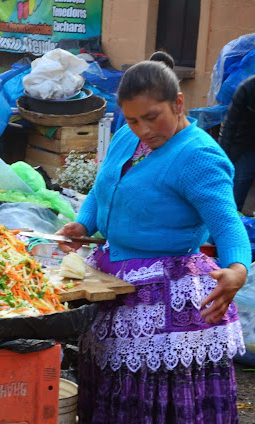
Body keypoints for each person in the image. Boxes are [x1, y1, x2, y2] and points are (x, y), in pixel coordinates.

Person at [57, 60, 249, 423]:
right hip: (111, 285)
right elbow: (103, 187)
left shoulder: (198, 156)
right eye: (132, 119)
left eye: (151, 116)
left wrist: (237, 269)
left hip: (163, 301)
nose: (142, 129)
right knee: (112, 391)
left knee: (150, 397)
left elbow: (227, 223)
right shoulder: (127, 137)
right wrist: (83, 224)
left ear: (178, 103)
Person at [218, 75, 255, 212]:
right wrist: (222, 159)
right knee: (233, 201)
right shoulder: (247, 88)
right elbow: (230, 126)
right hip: (245, 149)